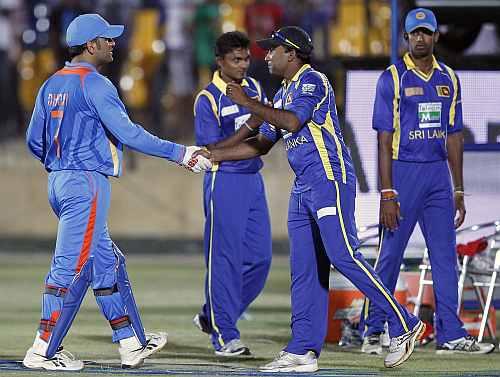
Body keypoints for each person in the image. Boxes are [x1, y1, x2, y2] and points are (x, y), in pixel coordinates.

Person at [195, 26, 424, 372]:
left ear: (292, 53)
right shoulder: (283, 91)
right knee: (304, 270)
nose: (267, 55)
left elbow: (292, 120)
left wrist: (247, 102)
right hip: (303, 186)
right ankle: (302, 349)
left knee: (343, 255)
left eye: (273, 49)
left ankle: (403, 323)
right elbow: (260, 144)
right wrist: (213, 157)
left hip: (328, 178)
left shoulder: (312, 81)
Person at [22, 13, 211, 371]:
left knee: (107, 262)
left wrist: (61, 164)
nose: (113, 43)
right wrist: (182, 154)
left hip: (59, 183)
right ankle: (41, 350)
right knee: (69, 269)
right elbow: (130, 134)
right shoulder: (95, 85)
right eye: (107, 38)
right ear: (90, 45)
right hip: (86, 184)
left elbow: (34, 141)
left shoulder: (51, 84)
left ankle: (129, 344)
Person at [360, 8, 495, 356]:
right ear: (405, 38)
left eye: (426, 32)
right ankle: (374, 330)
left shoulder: (448, 77)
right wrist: (387, 191)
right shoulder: (392, 78)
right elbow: (383, 140)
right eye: (414, 33)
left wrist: (459, 188)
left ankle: (450, 333)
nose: (420, 38)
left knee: (445, 255)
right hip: (403, 175)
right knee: (389, 255)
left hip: (437, 176)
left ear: (436, 36)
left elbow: (454, 136)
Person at [192, 31, 272, 357]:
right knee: (224, 261)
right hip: (222, 182)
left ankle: (213, 315)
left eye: (246, 59)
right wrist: (248, 127)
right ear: (220, 61)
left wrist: (250, 133)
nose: (242, 65)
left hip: (253, 181)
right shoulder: (207, 99)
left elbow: (268, 135)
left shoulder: (254, 89)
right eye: (236, 60)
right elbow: (210, 149)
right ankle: (225, 335)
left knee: (260, 259)